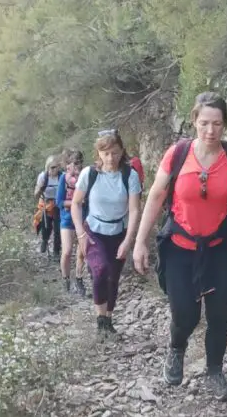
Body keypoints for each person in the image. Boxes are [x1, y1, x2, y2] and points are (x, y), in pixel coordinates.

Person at [133, 92, 227, 403]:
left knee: (218, 315)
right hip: (179, 247)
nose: (211, 131)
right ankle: (177, 349)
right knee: (186, 314)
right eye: (204, 123)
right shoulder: (177, 154)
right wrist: (139, 242)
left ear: (225, 124)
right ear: (194, 121)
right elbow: (156, 197)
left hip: (219, 247)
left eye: (217, 124)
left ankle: (214, 370)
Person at [71, 132, 142, 336]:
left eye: (115, 153)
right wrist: (80, 234)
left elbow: (135, 209)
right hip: (93, 230)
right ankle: (101, 320)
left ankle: (108, 319)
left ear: (122, 152)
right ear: (98, 153)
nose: (111, 158)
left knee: (113, 277)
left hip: (118, 231)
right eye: (106, 153)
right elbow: (76, 203)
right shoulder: (89, 174)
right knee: (101, 270)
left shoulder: (130, 175)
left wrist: (128, 240)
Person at [56, 149, 86, 296]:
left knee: (82, 252)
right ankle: (66, 279)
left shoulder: (86, 177)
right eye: (75, 164)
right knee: (67, 251)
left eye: (80, 164)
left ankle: (79, 279)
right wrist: (76, 202)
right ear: (70, 164)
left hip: (83, 218)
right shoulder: (63, 178)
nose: (77, 167)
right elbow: (59, 201)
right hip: (67, 219)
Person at [33, 155, 62, 258]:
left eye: (56, 167)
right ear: (47, 167)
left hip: (58, 204)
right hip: (45, 203)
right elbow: (36, 194)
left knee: (58, 230)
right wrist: (41, 187)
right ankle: (45, 240)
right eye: (51, 167)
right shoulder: (43, 176)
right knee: (46, 226)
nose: (54, 169)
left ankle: (56, 251)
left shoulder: (62, 176)